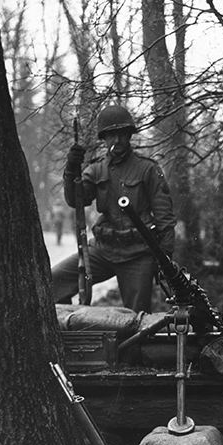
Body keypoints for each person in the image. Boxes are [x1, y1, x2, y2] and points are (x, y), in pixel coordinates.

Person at [52, 104, 176, 313]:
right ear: (104, 138)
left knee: (137, 317)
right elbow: (76, 200)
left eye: (121, 134)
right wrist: (71, 168)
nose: (117, 140)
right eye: (111, 135)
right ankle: (70, 337)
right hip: (104, 249)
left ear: (129, 135)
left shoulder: (148, 169)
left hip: (138, 254)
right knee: (54, 282)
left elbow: (165, 219)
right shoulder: (97, 168)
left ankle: (131, 347)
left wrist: (164, 260)